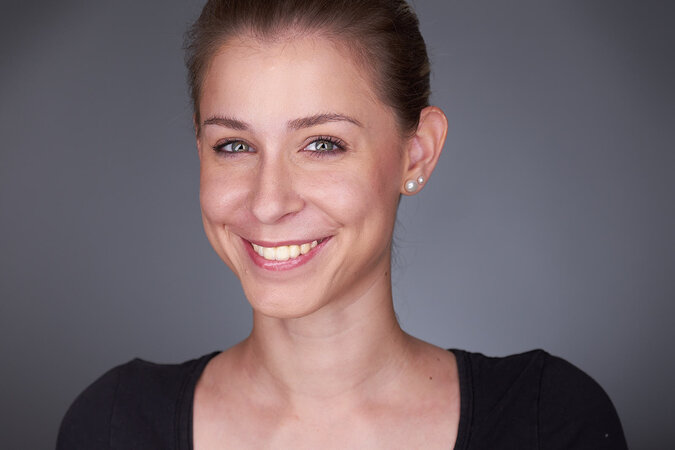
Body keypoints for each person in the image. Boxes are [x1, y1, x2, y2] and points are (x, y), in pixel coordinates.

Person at [57, 0, 627, 448]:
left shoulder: (548, 422)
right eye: (234, 145)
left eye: (323, 144)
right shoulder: (113, 426)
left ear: (417, 153)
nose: (268, 202)